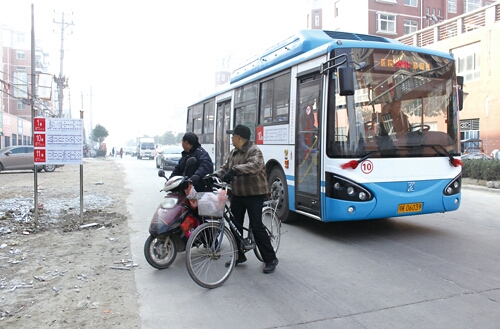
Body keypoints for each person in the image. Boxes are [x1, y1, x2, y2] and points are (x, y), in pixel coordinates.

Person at [212, 124, 279, 274]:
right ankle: (239, 255)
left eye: (233, 136)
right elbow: (225, 168)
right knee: (235, 224)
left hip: (254, 194)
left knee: (256, 225)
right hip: (238, 194)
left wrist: (235, 170)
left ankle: (270, 259)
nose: (231, 138)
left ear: (239, 138)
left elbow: (254, 165)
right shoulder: (233, 153)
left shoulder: (254, 150)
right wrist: (215, 175)